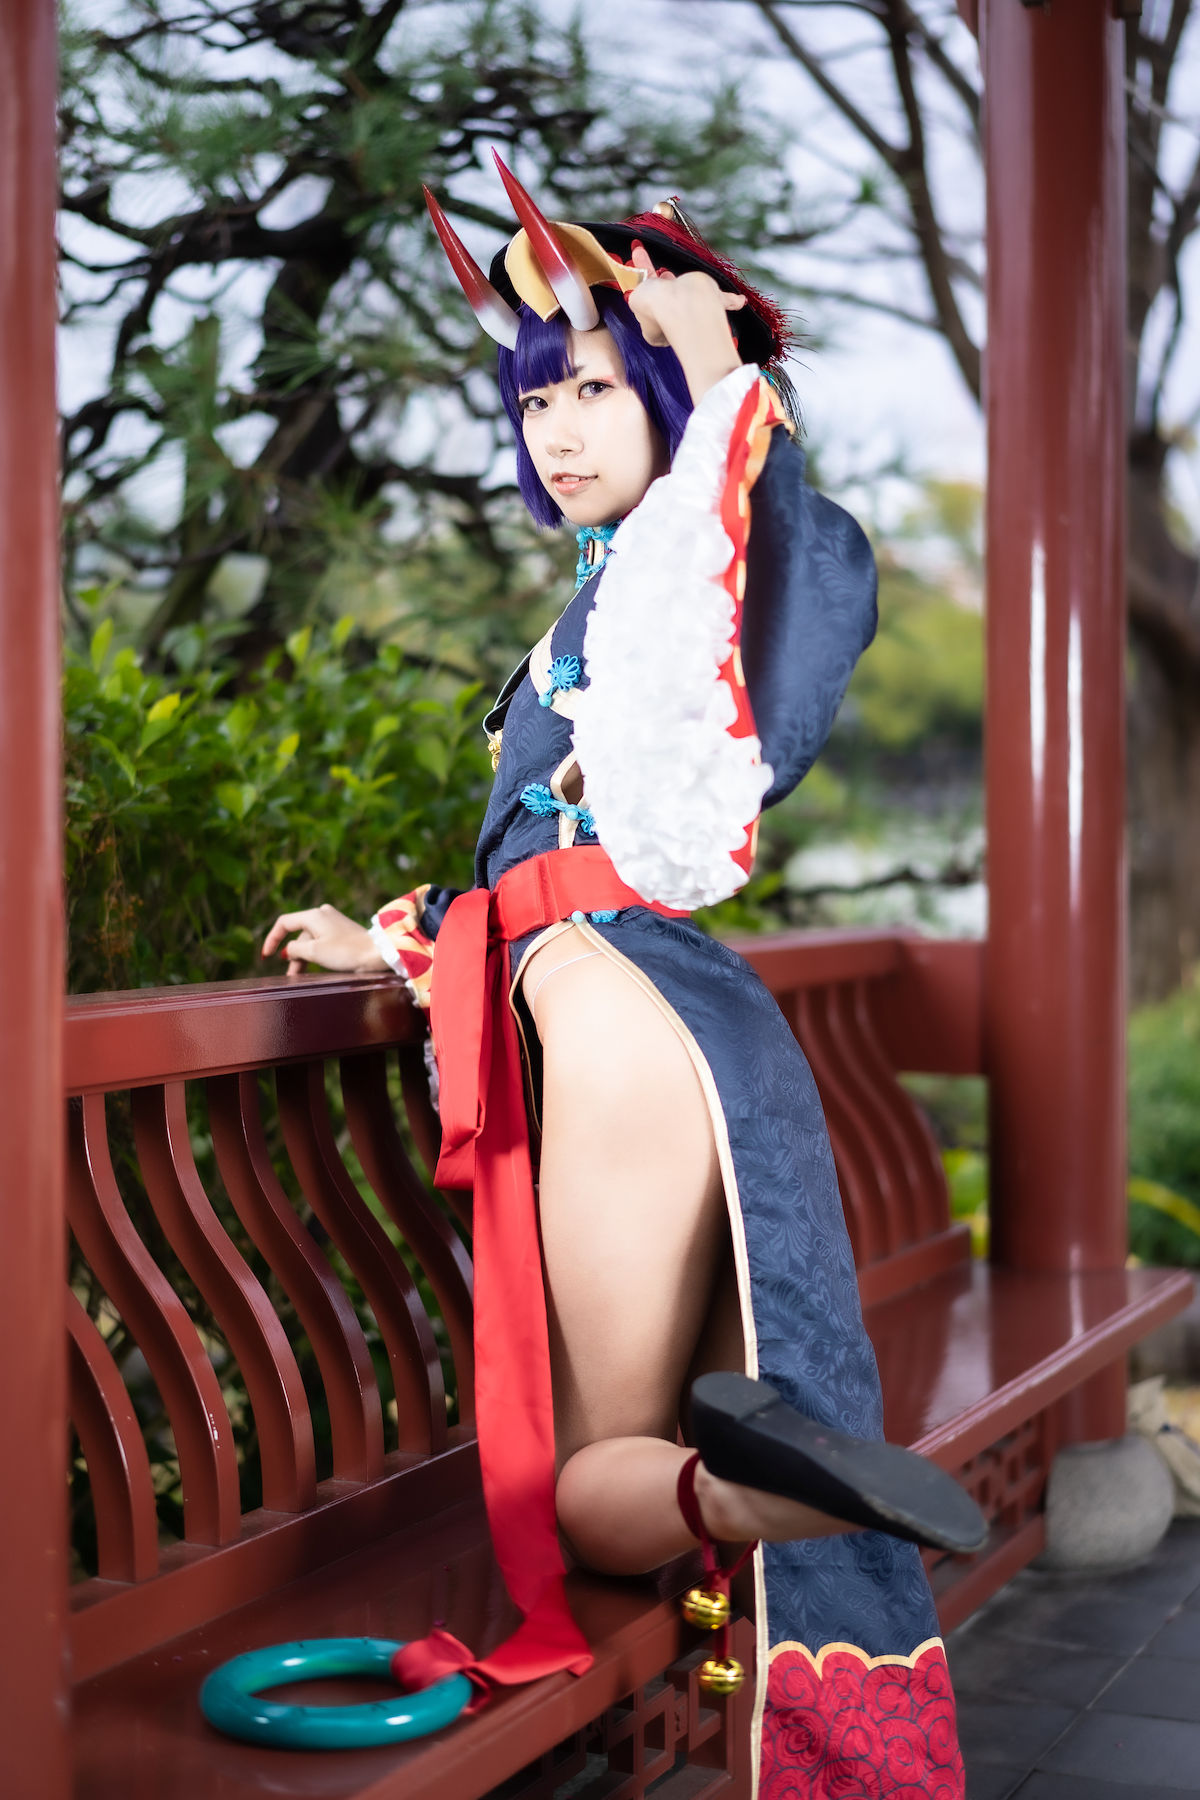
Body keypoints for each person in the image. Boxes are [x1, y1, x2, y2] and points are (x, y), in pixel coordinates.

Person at [262, 156, 981, 1799]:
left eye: (593, 387)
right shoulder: (613, 598)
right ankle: (783, 1474)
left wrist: (723, 375)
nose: (556, 430)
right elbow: (539, 861)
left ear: (669, 397)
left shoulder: (687, 568)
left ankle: (760, 1494)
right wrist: (395, 937)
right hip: (676, 1016)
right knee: (627, 1442)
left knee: (581, 1475)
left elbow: (770, 596)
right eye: (535, 402)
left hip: (604, 1008)